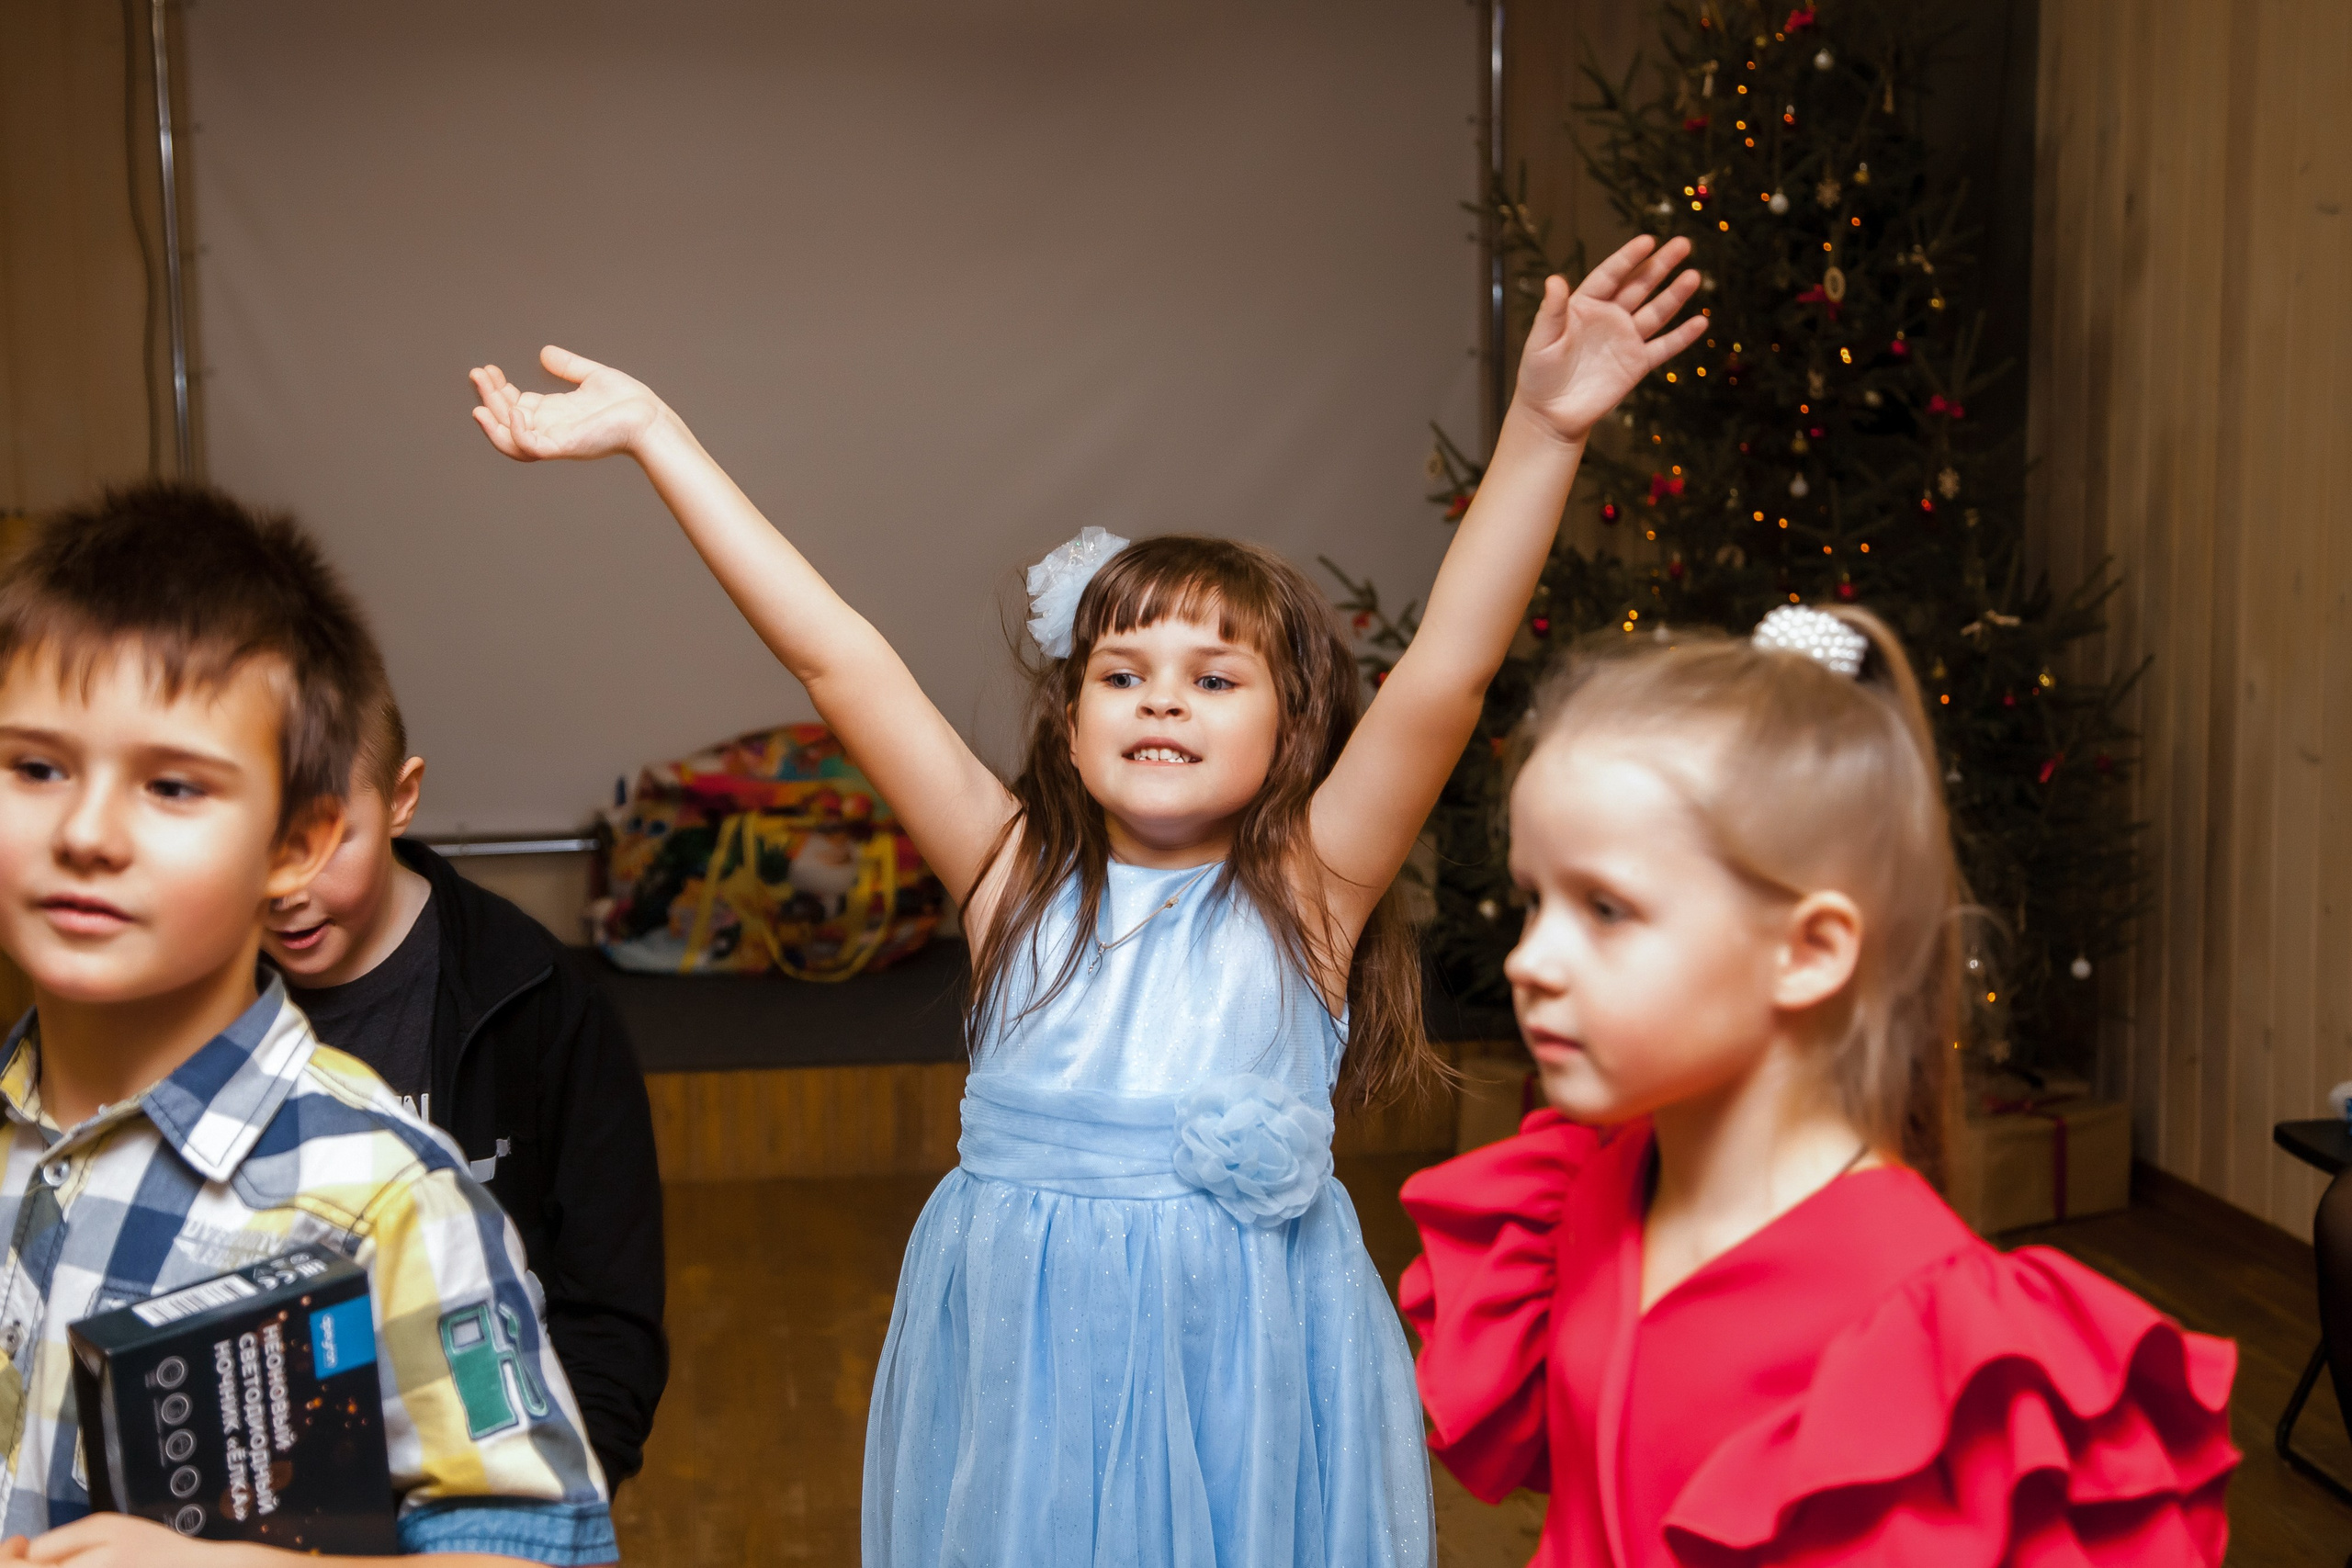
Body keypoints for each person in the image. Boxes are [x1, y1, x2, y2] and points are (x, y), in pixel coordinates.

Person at [468, 233, 1707, 1564]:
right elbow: (838, 656)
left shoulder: (1313, 885)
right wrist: (659, 436)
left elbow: (1447, 677)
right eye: (1123, 672)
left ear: (1296, 730)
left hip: (1248, 1362)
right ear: (1070, 724)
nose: (1164, 694)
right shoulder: (1008, 880)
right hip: (1029, 1367)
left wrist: (1540, 428)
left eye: (1215, 676)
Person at [1398, 604, 2240, 1565]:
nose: (1528, 960)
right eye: (1533, 900)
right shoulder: (1577, 1204)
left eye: (1605, 908)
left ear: (1807, 951)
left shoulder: (1942, 1342)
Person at [0, 484, 614, 1565]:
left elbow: (543, 1544)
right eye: (37, 767)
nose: (86, 831)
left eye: (173, 786)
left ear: (295, 844)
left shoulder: (388, 1196)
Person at [260, 685, 667, 1492]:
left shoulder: (540, 1001)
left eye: (325, 834)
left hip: (490, 1486)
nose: (286, 884)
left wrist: (560, 1500)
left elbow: (609, 1306)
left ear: (403, 798)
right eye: (257, 837)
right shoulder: (189, 1001)